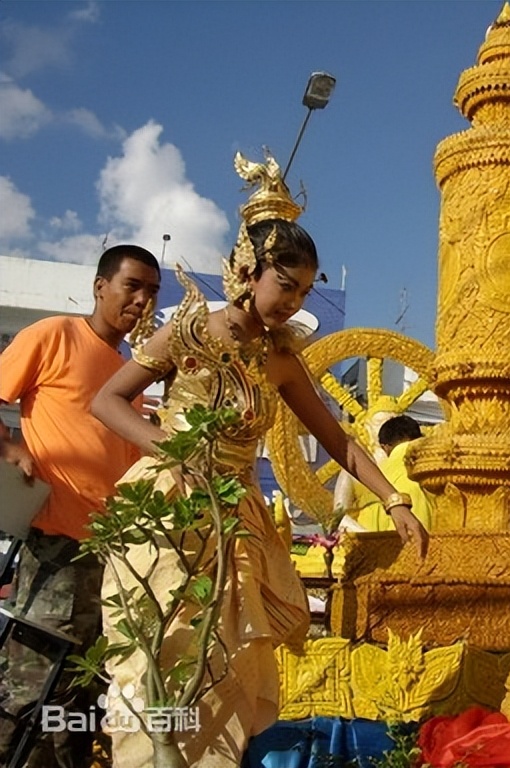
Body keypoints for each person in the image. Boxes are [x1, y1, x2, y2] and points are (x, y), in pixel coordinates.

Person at [90, 153, 428, 767]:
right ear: (248, 272)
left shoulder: (280, 360)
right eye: (286, 285)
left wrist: (394, 498)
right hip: (169, 508)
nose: (294, 300)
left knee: (225, 659)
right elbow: (107, 400)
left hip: (237, 519)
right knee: (161, 650)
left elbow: (341, 441)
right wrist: (171, 452)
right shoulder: (188, 332)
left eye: (304, 289)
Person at [0, 244, 161, 768]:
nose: (142, 299)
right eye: (132, 285)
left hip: (112, 558)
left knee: (79, 693)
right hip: (53, 544)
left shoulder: (129, 378)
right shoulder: (53, 336)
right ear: (100, 287)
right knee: (29, 686)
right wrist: (10, 447)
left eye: (152, 291)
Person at [345, 414, 434, 532]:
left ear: (384, 447)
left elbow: (338, 516)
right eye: (376, 423)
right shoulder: (437, 465)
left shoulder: (375, 475)